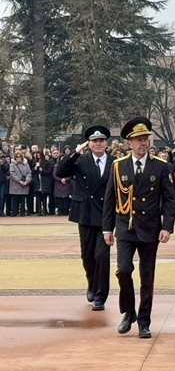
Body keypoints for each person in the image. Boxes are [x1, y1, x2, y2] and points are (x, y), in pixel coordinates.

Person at [102, 116, 175, 338]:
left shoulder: (161, 167)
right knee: (123, 270)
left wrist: (167, 227)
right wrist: (107, 229)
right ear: (129, 143)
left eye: (146, 139)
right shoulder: (118, 166)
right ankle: (128, 312)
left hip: (150, 228)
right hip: (125, 228)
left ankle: (144, 321)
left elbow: (169, 199)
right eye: (138, 140)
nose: (143, 143)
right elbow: (110, 199)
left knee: (147, 276)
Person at [56, 125, 115, 310]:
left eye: (101, 141)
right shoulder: (81, 160)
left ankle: (100, 296)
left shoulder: (115, 162)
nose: (98, 144)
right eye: (94, 141)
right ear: (88, 143)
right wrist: (75, 152)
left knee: (102, 256)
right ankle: (92, 283)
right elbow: (61, 172)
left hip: (105, 213)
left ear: (107, 143)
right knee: (87, 256)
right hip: (85, 213)